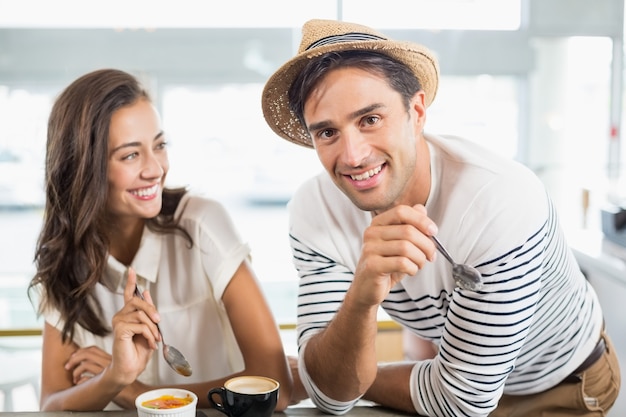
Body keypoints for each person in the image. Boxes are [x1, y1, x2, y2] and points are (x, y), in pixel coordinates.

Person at [261, 19, 620, 416]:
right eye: (327, 132)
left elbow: (459, 401)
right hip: (446, 382)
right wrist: (362, 298)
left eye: (370, 119)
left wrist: (354, 376)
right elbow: (330, 395)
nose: (353, 156)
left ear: (416, 112)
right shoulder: (314, 211)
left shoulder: (501, 202)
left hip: (557, 386)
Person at [29, 68, 292, 411]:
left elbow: (276, 386)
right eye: (130, 155)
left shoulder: (201, 224)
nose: (155, 169)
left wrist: (134, 392)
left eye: (159, 145)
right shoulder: (64, 258)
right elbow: (50, 405)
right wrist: (115, 377)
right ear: (82, 167)